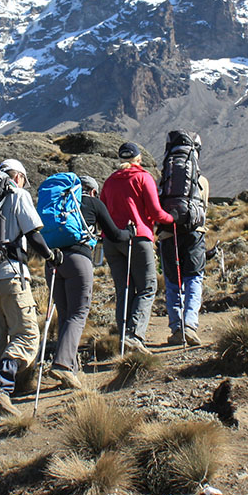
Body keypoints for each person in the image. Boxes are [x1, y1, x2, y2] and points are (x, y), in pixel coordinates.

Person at [0, 159, 59, 424]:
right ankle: (0, 387)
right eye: (23, 180)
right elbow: (33, 233)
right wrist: (51, 256)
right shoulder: (17, 194)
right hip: (9, 275)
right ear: (17, 176)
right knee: (27, 335)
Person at [44, 176, 132, 389]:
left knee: (65, 314)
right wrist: (130, 232)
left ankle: (72, 370)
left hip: (53, 261)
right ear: (92, 191)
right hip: (78, 260)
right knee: (78, 314)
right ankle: (63, 364)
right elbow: (115, 235)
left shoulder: (59, 203)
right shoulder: (93, 203)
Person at [100, 142, 176, 352]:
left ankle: (124, 338)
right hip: (138, 238)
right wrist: (172, 218)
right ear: (139, 159)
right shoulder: (143, 178)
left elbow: (102, 210)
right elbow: (155, 212)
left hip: (111, 241)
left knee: (124, 289)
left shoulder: (110, 181)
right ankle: (134, 335)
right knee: (147, 287)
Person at [159, 167, 210, 346]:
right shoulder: (202, 182)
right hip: (195, 234)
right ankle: (190, 325)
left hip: (168, 235)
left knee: (173, 282)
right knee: (194, 279)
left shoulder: (164, 181)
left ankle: (176, 329)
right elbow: (204, 210)